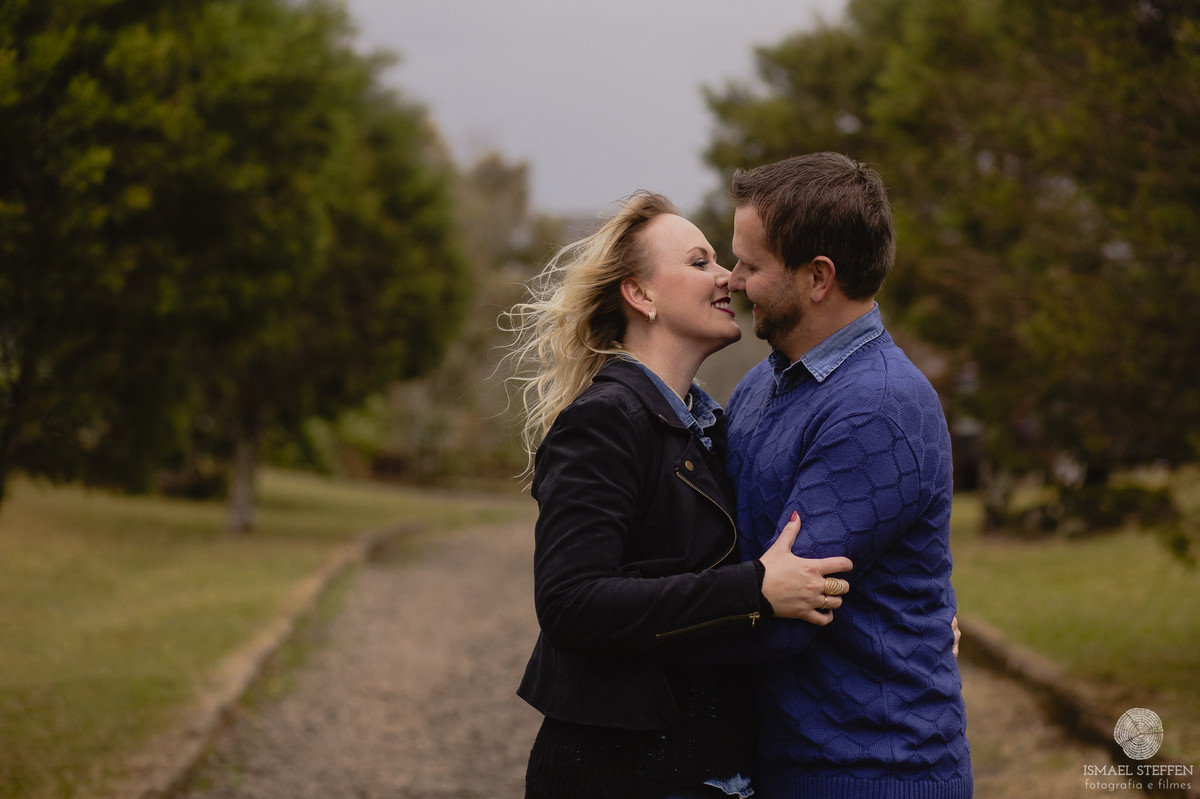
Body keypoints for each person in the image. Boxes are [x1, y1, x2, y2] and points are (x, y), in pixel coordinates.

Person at [504, 191, 855, 799]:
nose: (728, 278)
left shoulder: (717, 430)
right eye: (700, 263)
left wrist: (916, 626)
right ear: (640, 296)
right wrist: (752, 592)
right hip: (619, 773)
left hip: (716, 772)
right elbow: (570, 603)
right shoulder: (605, 421)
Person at [723, 152, 973, 798]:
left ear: (817, 277)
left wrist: (628, 626)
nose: (732, 280)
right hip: (794, 762)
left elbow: (783, 616)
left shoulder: (879, 405)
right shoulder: (763, 385)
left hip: (875, 771)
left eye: (750, 265)